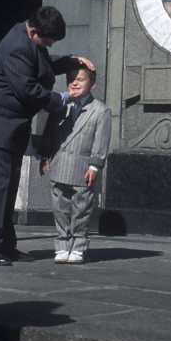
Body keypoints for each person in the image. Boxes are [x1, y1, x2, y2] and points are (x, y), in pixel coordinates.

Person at [0, 6, 94, 265]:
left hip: (9, 127)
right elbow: (28, 90)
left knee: (7, 188)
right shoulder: (17, 47)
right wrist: (62, 97)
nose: (49, 45)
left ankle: (5, 245)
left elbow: (44, 65)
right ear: (34, 31)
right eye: (48, 41)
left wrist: (74, 61)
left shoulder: (29, 40)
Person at [38, 64, 111, 264]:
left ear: (92, 84)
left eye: (80, 79)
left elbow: (101, 141)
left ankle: (78, 245)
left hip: (83, 166)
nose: (75, 82)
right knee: (59, 209)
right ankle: (62, 245)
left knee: (81, 210)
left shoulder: (100, 111)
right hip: (60, 163)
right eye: (71, 78)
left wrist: (95, 165)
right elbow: (50, 133)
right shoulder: (60, 105)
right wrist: (45, 156)